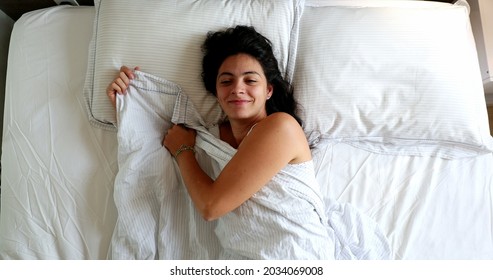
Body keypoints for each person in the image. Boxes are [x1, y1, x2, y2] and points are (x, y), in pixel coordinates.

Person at [106, 26, 335, 259]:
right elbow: (152, 144)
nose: (237, 89)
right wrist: (129, 101)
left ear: (268, 90)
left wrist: (184, 152)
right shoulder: (209, 140)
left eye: (250, 80)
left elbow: (210, 206)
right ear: (216, 91)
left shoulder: (281, 127)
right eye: (226, 81)